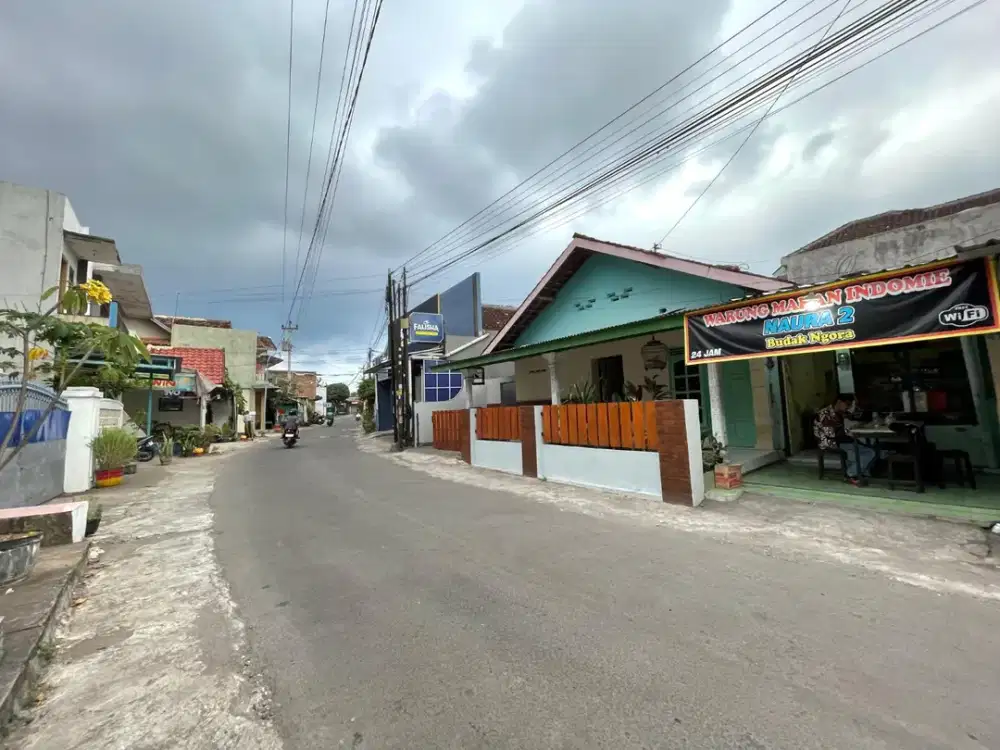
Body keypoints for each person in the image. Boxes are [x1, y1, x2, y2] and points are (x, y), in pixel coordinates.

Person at [814, 393, 874, 483]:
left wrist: (855, 404)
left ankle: (859, 471)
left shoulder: (839, 411)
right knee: (869, 452)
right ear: (839, 402)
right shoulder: (825, 414)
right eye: (847, 404)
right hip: (830, 442)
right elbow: (832, 435)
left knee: (863, 447)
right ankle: (851, 473)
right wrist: (850, 433)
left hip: (839, 439)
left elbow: (853, 416)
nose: (848, 407)